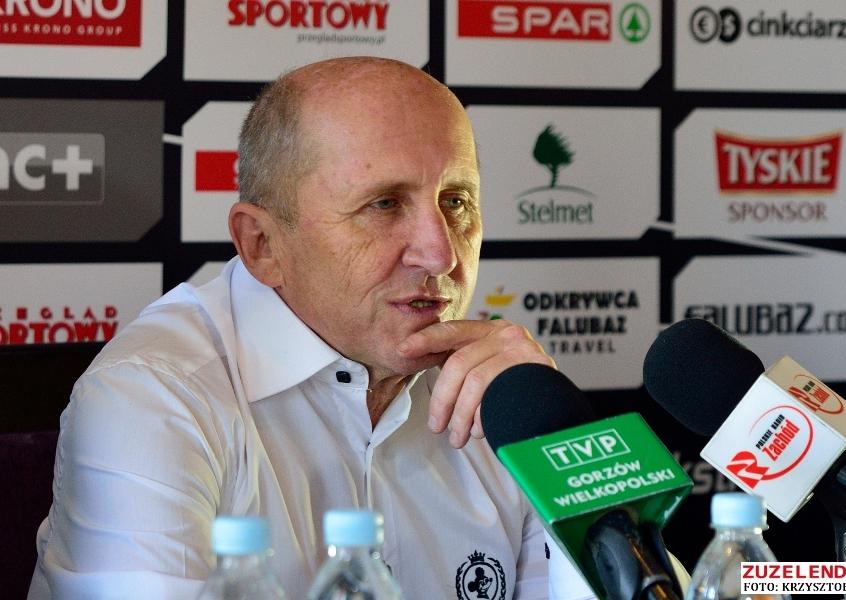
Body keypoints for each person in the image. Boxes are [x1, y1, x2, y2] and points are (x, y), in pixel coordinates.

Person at [28, 57, 688, 599]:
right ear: (262, 245)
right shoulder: (153, 394)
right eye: (383, 204)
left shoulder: (505, 391)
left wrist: (566, 446)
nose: (441, 254)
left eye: (456, 202)